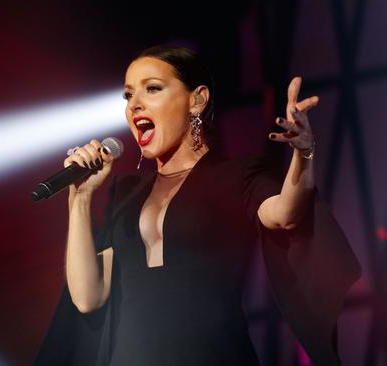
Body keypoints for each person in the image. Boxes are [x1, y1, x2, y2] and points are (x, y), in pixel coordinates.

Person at [35, 45, 361, 365]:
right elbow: (88, 298)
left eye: (152, 89)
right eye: (128, 95)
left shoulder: (236, 176)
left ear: (197, 100)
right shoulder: (125, 192)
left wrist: (303, 153)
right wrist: (79, 199)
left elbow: (285, 214)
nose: (134, 105)